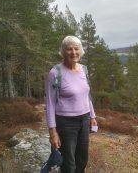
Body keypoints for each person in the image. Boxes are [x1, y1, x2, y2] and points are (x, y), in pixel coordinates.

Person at [45, 35, 97, 173]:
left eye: (76, 48)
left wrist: (92, 116)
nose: (74, 52)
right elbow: (49, 104)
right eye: (69, 49)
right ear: (63, 51)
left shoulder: (84, 70)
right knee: (69, 165)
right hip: (65, 123)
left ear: (81, 50)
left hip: (84, 120)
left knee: (82, 160)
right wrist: (53, 132)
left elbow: (86, 95)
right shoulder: (55, 73)